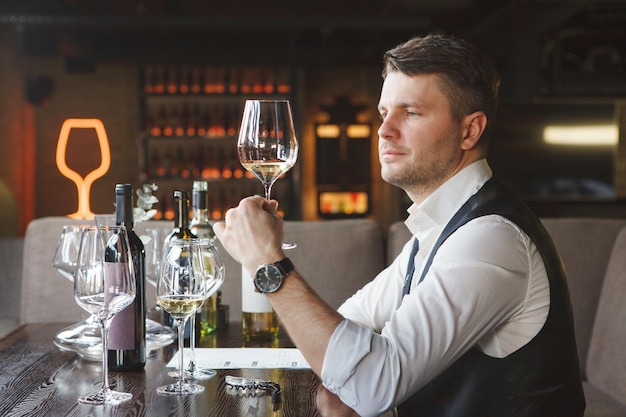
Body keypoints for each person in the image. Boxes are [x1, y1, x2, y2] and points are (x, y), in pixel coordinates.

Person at [213, 33, 586, 417]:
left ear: (469, 131)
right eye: (383, 113)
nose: (384, 130)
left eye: (410, 113)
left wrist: (267, 264)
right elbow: (348, 334)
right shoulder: (438, 230)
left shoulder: (491, 239)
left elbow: (368, 381)